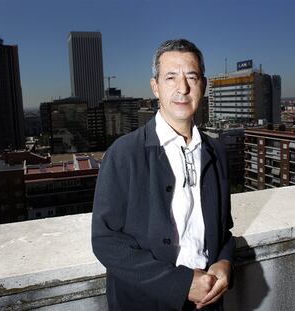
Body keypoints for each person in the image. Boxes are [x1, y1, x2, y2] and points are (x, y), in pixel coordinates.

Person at [92, 39, 234, 311]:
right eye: (171, 77)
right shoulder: (124, 153)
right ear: (155, 86)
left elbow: (224, 229)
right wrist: (180, 284)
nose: (183, 88)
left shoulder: (216, 152)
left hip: (208, 302)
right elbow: (105, 240)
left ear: (203, 85)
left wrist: (225, 261)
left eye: (191, 77)